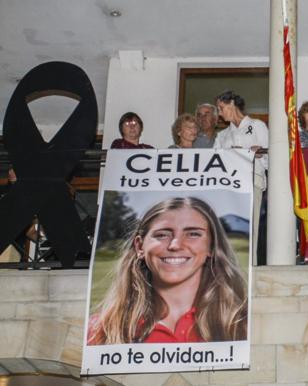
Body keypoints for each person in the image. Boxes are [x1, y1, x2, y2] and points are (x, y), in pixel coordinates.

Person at [87, 197, 248, 345]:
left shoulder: (241, 323)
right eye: (162, 235)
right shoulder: (101, 330)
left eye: (193, 234)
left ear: (211, 247)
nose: (175, 245)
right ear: (139, 246)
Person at [214, 91, 269, 264]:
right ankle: (230, 264)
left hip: (253, 181)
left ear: (232, 103)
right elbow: (215, 162)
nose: (220, 113)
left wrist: (260, 154)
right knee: (229, 227)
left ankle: (250, 265)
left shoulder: (257, 125)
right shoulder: (222, 136)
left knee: (251, 226)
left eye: (221, 108)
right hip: (230, 186)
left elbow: (270, 158)